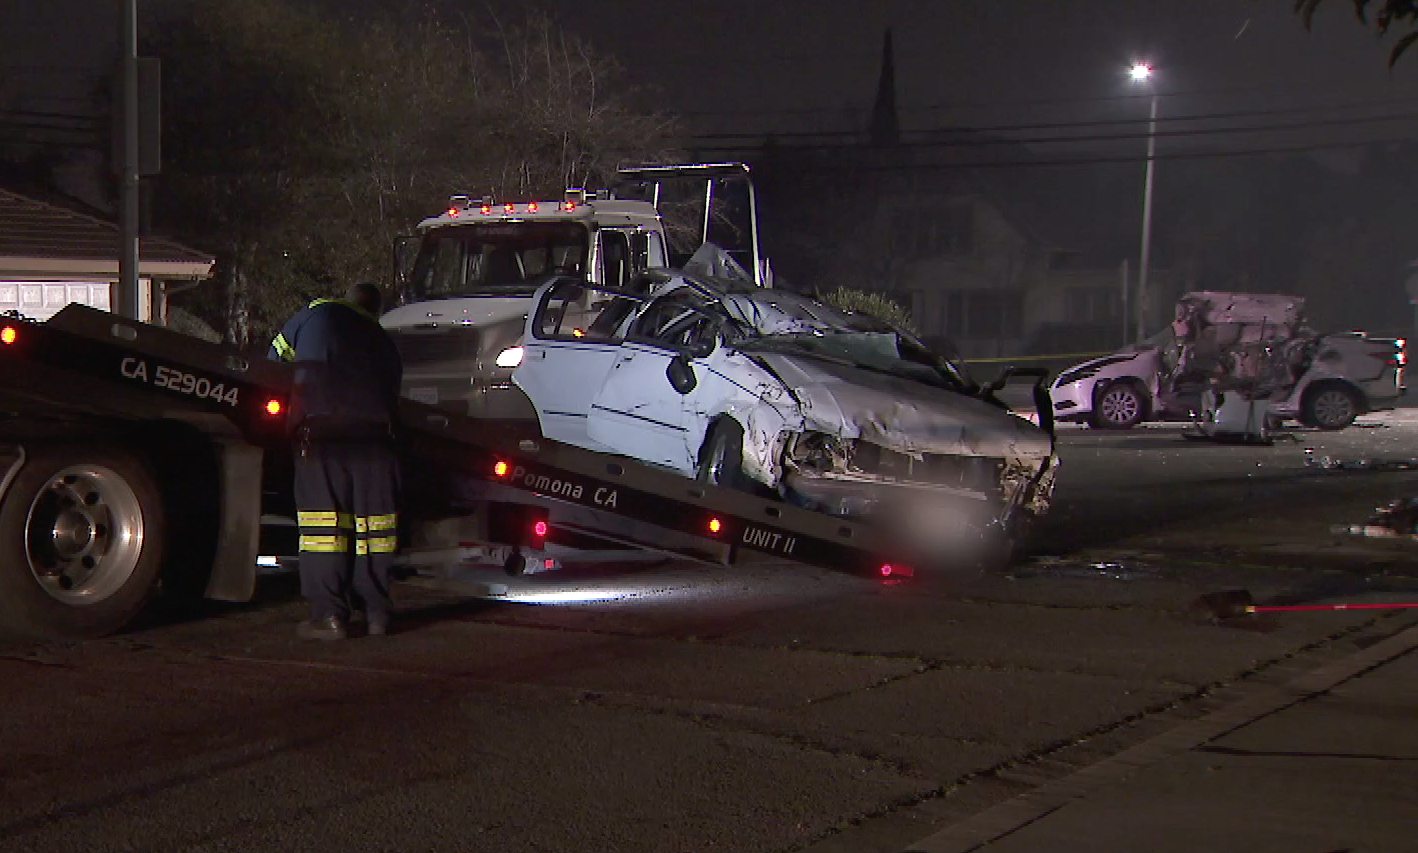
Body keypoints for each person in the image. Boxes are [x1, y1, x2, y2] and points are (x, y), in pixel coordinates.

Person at [268, 282, 404, 640]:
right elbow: (393, 394)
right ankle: (377, 615)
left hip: (322, 438)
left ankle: (329, 617)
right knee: (375, 533)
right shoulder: (383, 340)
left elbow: (272, 361)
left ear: (348, 299)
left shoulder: (317, 313)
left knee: (323, 532)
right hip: (376, 442)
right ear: (374, 311)